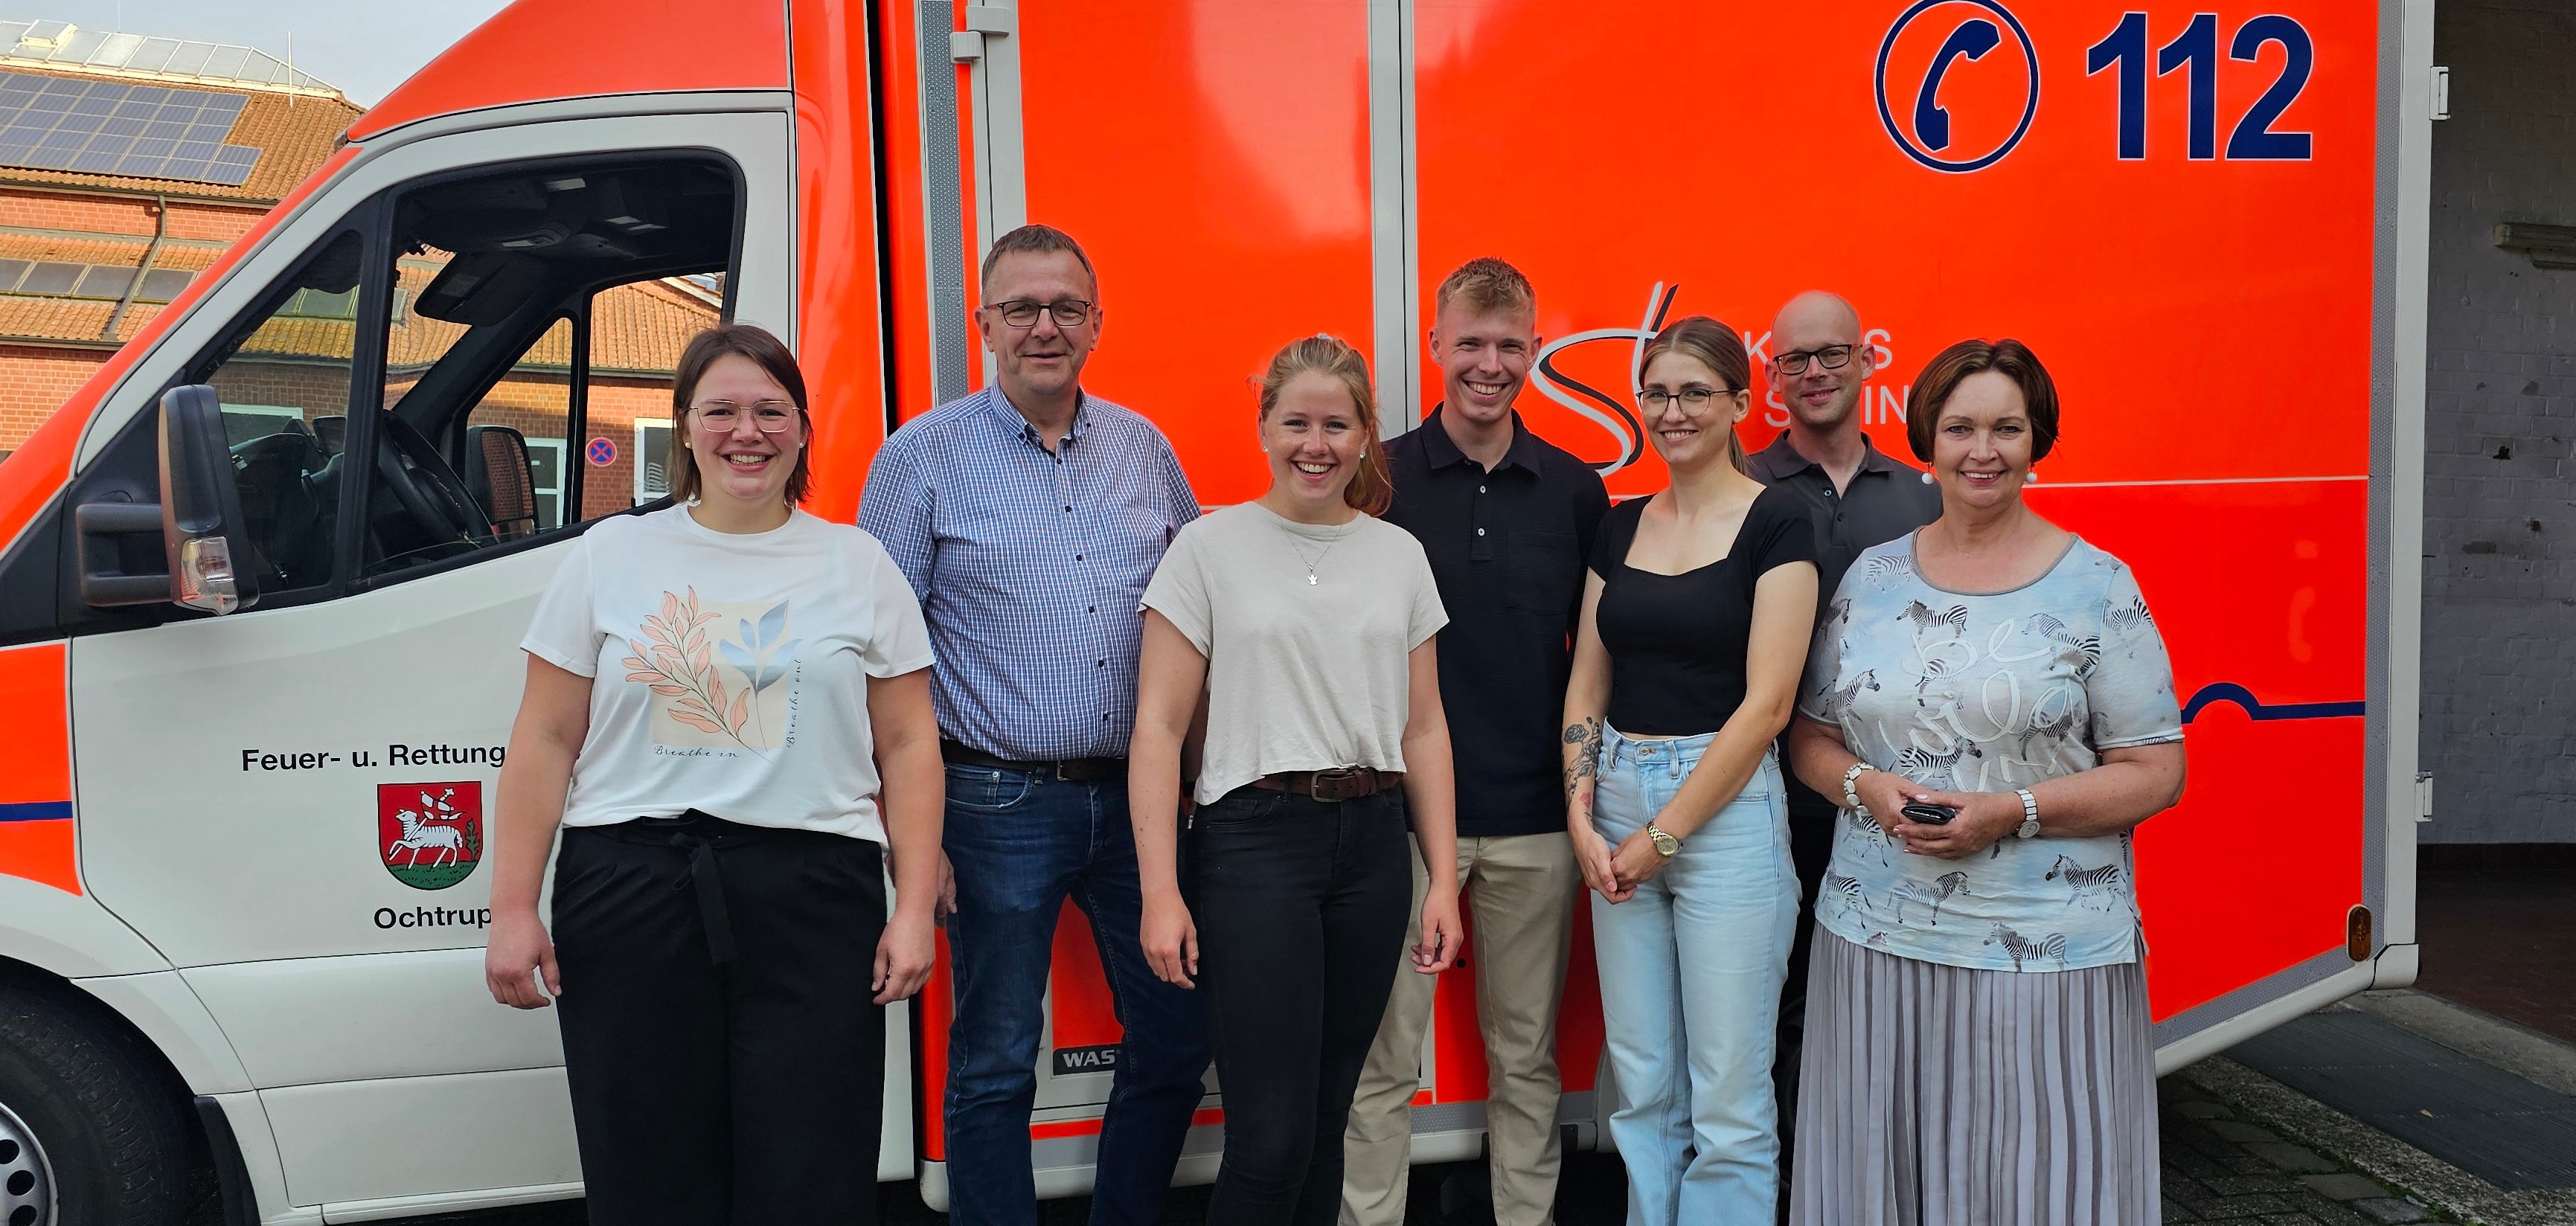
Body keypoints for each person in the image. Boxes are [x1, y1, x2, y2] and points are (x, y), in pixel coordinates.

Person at [483, 324, 943, 1225]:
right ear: (685, 427)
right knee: (648, 1163)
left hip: (815, 893)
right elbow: (543, 737)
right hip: (631, 891)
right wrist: (511, 909)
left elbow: (909, 745)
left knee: (812, 1164)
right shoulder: (610, 557)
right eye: (722, 410)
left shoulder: (860, 565)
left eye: (771, 410)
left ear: (804, 430)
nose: (747, 431)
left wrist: (914, 905)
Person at [1786, 338, 2188, 1225]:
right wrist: (1865, 788)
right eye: (1961, 426)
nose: (1983, 449)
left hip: (2045, 949)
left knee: (2041, 1185)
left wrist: (2013, 811)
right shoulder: (1874, 576)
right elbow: (1810, 736)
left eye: (2007, 428)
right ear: (1926, 437)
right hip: (1873, 936)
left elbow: (2159, 771)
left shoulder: (2097, 585)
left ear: (2037, 440)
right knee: (1877, 1180)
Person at [857, 224, 1211, 1226]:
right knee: (995, 1061)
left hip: (1138, 802)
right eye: (1021, 308)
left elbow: (1197, 610)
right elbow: (877, 659)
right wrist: (910, 835)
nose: (1043, 327)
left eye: (1064, 308)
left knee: (1178, 1039)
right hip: (988, 802)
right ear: (984, 325)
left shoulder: (1144, 451)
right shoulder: (920, 458)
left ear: (1097, 323)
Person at [1132, 335, 1466, 1226]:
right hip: (1253, 845)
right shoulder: (1208, 548)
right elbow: (1159, 731)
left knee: (1328, 1124)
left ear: (1365, 436)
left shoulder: (1398, 555)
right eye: (1296, 423)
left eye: (1335, 424)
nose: (1314, 444)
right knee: (1270, 1138)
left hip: (1372, 845)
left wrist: (1441, 881)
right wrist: (1162, 891)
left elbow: (1424, 728)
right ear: (1264, 427)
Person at [1345, 257, 1608, 1226]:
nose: (1488, 365)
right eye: (1470, 344)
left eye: (1508, 345)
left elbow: (1595, 663)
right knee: (1381, 1060)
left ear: (1534, 350)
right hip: (1406, 825)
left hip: (1537, 825)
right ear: (1434, 347)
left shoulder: (1576, 492)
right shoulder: (1378, 477)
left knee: (1526, 1058)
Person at [1559, 317, 1817, 1224]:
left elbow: (1768, 707)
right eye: (1658, 393)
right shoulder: (1621, 522)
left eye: (1695, 393)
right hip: (1617, 799)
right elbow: (1588, 681)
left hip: (1726, 815)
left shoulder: (1778, 517)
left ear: (1742, 404)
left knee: (1729, 1100)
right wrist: (1584, 817)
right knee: (1641, 1086)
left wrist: (1664, 835)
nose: (1673, 412)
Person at [1743, 290, 1943, 1191]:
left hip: (1895, 799)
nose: (1814, 373)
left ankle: (1884, 1184)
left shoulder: (1923, 496)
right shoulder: (1739, 488)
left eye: (1832, 355)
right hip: (1766, 795)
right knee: (1779, 1005)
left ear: (1868, 362)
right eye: (1795, 359)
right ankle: (1796, 1191)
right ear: (1771, 372)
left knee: (1892, 1005)